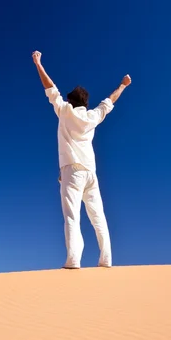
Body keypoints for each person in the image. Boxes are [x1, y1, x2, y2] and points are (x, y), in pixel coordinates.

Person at [32, 50, 131, 269]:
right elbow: (109, 102)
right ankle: (106, 259)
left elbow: (50, 88)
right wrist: (123, 85)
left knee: (71, 216)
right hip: (90, 174)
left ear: (70, 100)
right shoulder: (92, 116)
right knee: (98, 217)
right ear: (85, 103)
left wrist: (38, 63)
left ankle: (73, 259)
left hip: (72, 171)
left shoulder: (66, 111)